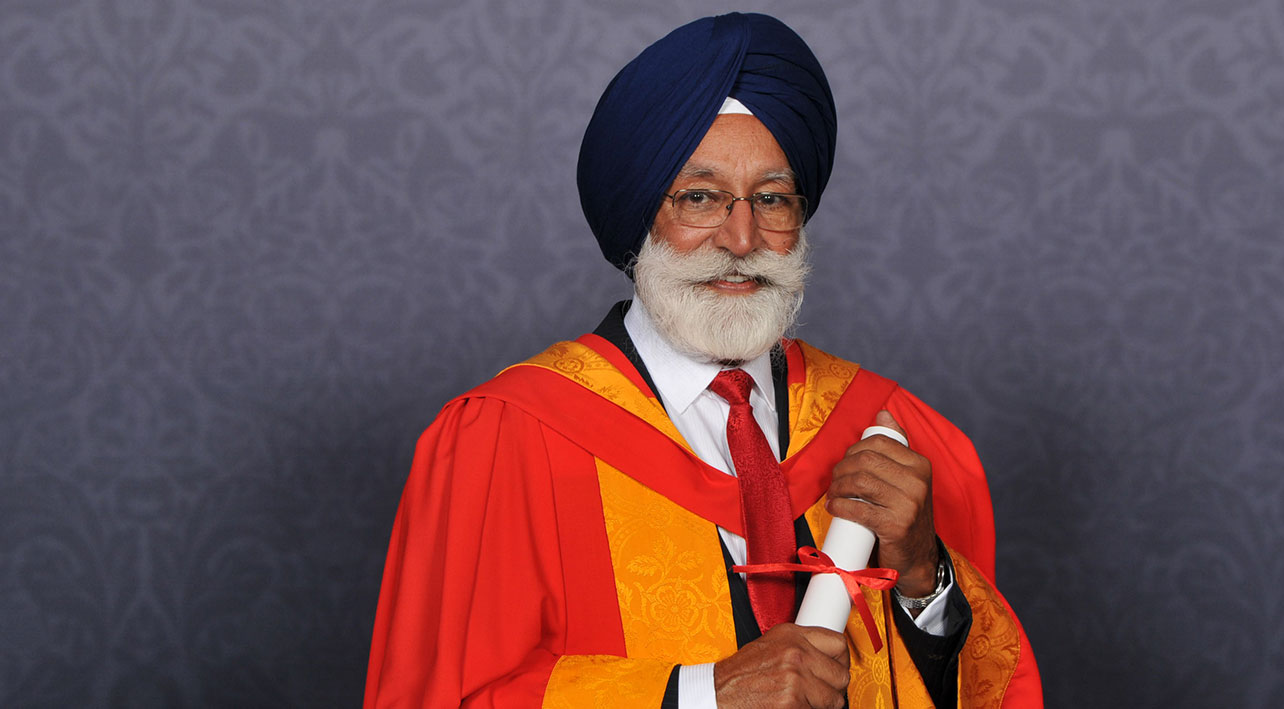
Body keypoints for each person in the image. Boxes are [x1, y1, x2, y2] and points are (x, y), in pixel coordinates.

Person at [364, 12, 1041, 709]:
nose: (741, 236)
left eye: (772, 199)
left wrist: (923, 581)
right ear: (641, 217)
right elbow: (438, 696)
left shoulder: (890, 427)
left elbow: (990, 687)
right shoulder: (508, 439)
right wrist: (698, 694)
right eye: (699, 197)